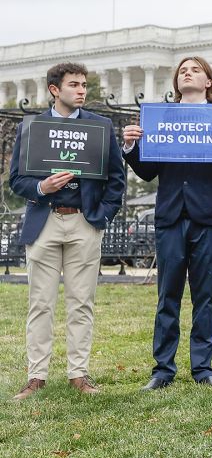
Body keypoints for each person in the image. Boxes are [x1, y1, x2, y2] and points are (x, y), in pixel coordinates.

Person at [121, 56, 212, 390]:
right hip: (172, 216)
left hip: (210, 218)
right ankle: (163, 369)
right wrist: (131, 147)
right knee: (168, 295)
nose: (186, 73)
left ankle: (203, 368)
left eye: (195, 70)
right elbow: (148, 171)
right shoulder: (161, 119)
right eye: (181, 71)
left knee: (206, 296)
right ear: (176, 82)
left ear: (208, 81)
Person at [9, 62, 125, 400]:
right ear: (54, 90)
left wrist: (100, 216)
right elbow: (17, 179)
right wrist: (42, 186)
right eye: (74, 84)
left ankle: (79, 373)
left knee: (81, 301)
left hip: (83, 221)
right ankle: (36, 376)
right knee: (40, 303)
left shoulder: (100, 126)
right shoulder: (32, 128)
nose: (81, 90)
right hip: (44, 220)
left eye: (84, 85)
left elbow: (116, 179)